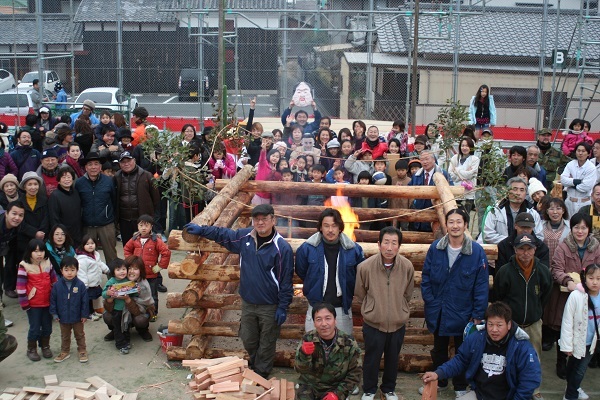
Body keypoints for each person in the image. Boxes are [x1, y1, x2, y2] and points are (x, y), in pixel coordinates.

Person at [184, 204, 294, 378]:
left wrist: (283, 307)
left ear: (273, 220)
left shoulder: (282, 248)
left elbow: (285, 281)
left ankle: (260, 374)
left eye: (265, 219)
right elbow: (223, 234)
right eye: (256, 219)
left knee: (267, 341)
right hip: (249, 302)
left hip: (269, 305)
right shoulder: (245, 237)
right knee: (248, 338)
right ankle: (257, 364)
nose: (260, 222)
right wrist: (202, 230)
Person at [420, 209, 489, 397]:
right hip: (439, 310)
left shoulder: (476, 252)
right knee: (439, 350)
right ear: (446, 225)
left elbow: (481, 286)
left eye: (459, 222)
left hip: (463, 312)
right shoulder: (436, 248)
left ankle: (460, 386)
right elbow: (426, 278)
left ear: (465, 225)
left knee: (463, 351)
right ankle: (439, 382)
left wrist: (477, 314)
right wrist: (431, 301)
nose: (455, 226)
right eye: (451, 222)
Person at [421, 302, 542, 400]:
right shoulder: (477, 338)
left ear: (509, 325)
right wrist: (438, 373)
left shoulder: (522, 346)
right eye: (490, 324)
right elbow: (460, 361)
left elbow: (530, 379)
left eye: (499, 325)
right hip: (480, 395)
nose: (494, 330)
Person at [354, 226, 414, 400]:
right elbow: (360, 292)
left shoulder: (407, 267)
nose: (389, 247)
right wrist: (373, 307)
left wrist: (399, 307)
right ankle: (369, 389)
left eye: (394, 243)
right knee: (371, 358)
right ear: (379, 244)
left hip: (397, 322)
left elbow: (408, 293)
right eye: (386, 242)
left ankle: (388, 388)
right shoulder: (365, 267)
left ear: (399, 246)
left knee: (393, 358)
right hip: (374, 322)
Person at [494, 233, 552, 399]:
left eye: (529, 249)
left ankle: (534, 390)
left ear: (535, 250)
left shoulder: (542, 271)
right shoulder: (505, 271)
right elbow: (499, 295)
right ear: (515, 250)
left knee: (534, 358)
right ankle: (506, 387)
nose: (525, 253)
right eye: (521, 249)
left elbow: (546, 295)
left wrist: (536, 312)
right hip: (512, 324)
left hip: (533, 324)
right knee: (507, 356)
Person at [295, 209, 365, 335]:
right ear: (320, 228)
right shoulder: (307, 248)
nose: (330, 230)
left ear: (340, 227)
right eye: (326, 226)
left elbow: (358, 275)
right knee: (314, 349)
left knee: (343, 348)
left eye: (334, 225)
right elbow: (302, 271)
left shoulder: (353, 250)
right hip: (316, 308)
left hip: (341, 308)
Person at [549, 213, 600, 380]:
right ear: (571, 229)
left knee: (585, 327)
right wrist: (568, 281)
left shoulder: (596, 247)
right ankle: (561, 361)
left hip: (589, 296)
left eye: (584, 227)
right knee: (564, 328)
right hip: (566, 295)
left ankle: (584, 358)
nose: (580, 231)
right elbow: (556, 269)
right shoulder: (563, 247)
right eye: (576, 227)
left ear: (589, 229)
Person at [295, 303, 362, 400]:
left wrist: (338, 394)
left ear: (335, 320)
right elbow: (299, 370)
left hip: (336, 387)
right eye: (319, 319)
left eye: (328, 318)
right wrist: (304, 354)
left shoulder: (349, 342)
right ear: (314, 323)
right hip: (310, 386)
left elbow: (355, 374)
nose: (324, 324)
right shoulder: (308, 339)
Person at [558, 264, 600, 400]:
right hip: (577, 340)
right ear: (584, 278)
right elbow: (567, 321)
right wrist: (566, 345)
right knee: (573, 367)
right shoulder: (576, 296)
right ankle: (572, 391)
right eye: (591, 278)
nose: (595, 282)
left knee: (579, 369)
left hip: (592, 342)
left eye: (599, 278)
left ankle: (571, 393)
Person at [123, 214, 171, 321]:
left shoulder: (156, 240)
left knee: (152, 295)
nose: (144, 228)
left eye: (146, 225)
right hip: (137, 274)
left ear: (151, 227)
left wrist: (160, 266)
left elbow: (166, 252)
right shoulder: (134, 239)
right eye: (141, 225)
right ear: (138, 226)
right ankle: (137, 310)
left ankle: (153, 313)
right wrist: (130, 262)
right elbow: (127, 249)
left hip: (151, 274)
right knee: (136, 293)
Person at [17, 239, 57, 361]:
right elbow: (20, 287)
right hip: (33, 304)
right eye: (35, 251)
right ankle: (31, 349)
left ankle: (45, 346)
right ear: (29, 252)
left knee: (47, 327)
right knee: (34, 327)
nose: (39, 254)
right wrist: (25, 304)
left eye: (42, 251)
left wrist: (56, 299)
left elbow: (54, 281)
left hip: (47, 302)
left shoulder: (47, 263)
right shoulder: (24, 266)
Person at [75, 152, 118, 265]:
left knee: (111, 256)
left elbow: (114, 200)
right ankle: (91, 282)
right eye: (90, 164)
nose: (93, 167)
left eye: (96, 164)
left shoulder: (108, 181)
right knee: (87, 258)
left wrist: (113, 220)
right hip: (87, 226)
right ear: (85, 167)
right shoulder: (79, 183)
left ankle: (113, 280)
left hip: (106, 224)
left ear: (100, 167)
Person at [114, 151, 160, 246]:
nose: (126, 164)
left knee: (145, 246)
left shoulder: (147, 175)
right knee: (128, 246)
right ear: (119, 164)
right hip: (124, 219)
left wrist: (149, 213)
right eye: (123, 162)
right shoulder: (116, 177)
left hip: (142, 219)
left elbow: (156, 197)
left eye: (129, 161)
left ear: (134, 160)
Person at [480, 177, 544, 244]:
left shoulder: (532, 213)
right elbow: (487, 235)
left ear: (526, 194)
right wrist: (512, 241)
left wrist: (523, 243)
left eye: (522, 190)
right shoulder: (495, 210)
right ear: (507, 192)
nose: (518, 193)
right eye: (515, 189)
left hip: (525, 251)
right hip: (501, 250)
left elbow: (539, 236)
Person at [49, 256, 88, 363]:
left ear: (77, 270)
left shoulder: (80, 285)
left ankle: (82, 350)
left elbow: (85, 301)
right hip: (63, 317)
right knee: (65, 336)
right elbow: (53, 300)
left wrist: (84, 315)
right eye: (66, 270)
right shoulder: (57, 286)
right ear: (61, 271)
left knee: (80, 335)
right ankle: (65, 351)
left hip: (77, 317)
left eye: (72, 270)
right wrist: (54, 314)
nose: (69, 273)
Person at [408, 150, 453, 232]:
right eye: (422, 160)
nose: (424, 162)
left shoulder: (443, 174)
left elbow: (451, 190)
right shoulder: (417, 175)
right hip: (418, 214)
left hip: (436, 215)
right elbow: (409, 189)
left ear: (433, 159)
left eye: (427, 159)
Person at [495, 212, 550, 277]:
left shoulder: (542, 247)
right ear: (515, 226)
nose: (525, 230)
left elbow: (544, 273)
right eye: (523, 227)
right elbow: (500, 273)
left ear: (533, 227)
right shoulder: (503, 245)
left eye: (528, 228)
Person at [0, 201, 25, 329]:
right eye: (14, 214)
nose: (17, 217)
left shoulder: (17, 227)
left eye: (20, 215)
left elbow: (14, 245)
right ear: (6, 213)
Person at [76, 234, 110, 321]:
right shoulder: (82, 259)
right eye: (87, 244)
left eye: (92, 243)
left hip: (95, 282)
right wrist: (84, 285)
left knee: (91, 299)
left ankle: (93, 312)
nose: (90, 245)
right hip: (88, 284)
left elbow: (100, 263)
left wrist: (106, 270)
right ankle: (88, 314)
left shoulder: (95, 254)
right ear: (83, 245)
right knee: (87, 300)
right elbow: (81, 273)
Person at [102, 258, 132, 354]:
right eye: (118, 270)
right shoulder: (111, 282)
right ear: (113, 272)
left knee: (126, 325)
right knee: (118, 327)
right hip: (116, 309)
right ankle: (120, 344)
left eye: (123, 269)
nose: (122, 272)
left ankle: (126, 341)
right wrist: (108, 292)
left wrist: (136, 290)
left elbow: (133, 293)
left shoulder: (128, 281)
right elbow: (103, 294)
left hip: (126, 309)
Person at [48, 166, 82, 246]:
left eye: (69, 177)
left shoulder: (76, 193)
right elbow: (54, 219)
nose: (66, 179)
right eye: (63, 177)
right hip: (64, 236)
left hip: (78, 234)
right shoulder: (55, 196)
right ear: (58, 181)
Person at [561, 142, 596, 217]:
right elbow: (563, 180)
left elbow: (585, 187)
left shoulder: (591, 168)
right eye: (578, 150)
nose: (580, 153)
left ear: (588, 153)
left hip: (584, 203)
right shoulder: (570, 164)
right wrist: (578, 181)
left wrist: (570, 182)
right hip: (569, 202)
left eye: (583, 151)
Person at [448, 137, 479, 214]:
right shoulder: (455, 157)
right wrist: (464, 172)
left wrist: (457, 170)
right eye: (462, 145)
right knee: (455, 214)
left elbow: (470, 175)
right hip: (456, 191)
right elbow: (450, 174)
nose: (464, 148)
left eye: (467, 146)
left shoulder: (475, 159)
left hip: (468, 193)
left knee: (466, 216)